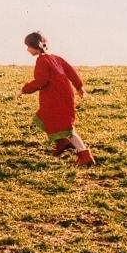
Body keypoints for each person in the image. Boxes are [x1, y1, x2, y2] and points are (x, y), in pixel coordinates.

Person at [18, 31, 95, 166]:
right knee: (43, 118)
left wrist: (24, 90)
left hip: (55, 98)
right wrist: (79, 87)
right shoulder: (56, 58)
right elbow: (71, 71)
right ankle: (61, 142)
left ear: (35, 46)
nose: (27, 49)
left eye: (28, 46)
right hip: (63, 96)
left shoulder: (41, 60)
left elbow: (41, 81)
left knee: (67, 129)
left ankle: (84, 155)